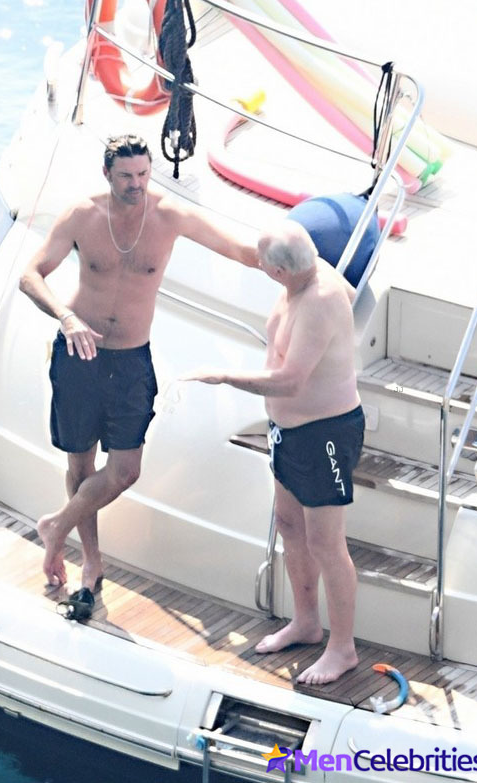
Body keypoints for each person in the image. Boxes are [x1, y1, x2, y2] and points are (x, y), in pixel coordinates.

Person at [19, 134, 258, 599]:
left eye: (144, 174)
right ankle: (91, 561)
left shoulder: (170, 216)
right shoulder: (82, 216)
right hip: (79, 353)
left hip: (130, 359)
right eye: (126, 176)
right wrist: (67, 318)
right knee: (80, 463)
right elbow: (31, 275)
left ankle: (55, 526)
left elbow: (242, 253)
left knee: (125, 470)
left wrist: (309, 269)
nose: (137, 184)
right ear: (106, 174)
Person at [184, 220, 364, 686]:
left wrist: (224, 377)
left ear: (278, 271)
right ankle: (306, 622)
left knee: (326, 543)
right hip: (288, 432)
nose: (256, 264)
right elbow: (249, 252)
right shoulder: (304, 275)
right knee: (288, 523)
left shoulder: (319, 301)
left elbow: (290, 381)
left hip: (325, 434)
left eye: (261, 262)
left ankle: (342, 649)